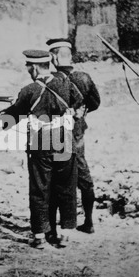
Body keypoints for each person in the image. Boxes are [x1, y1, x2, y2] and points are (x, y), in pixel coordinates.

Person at [0, 50, 83, 249]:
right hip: (64, 139)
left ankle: (39, 236)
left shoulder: (29, 90)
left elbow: (10, 119)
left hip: (40, 142)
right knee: (66, 186)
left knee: (40, 188)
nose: (29, 70)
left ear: (35, 67)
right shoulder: (66, 83)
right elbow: (80, 103)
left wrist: (10, 110)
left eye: (29, 67)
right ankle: (65, 234)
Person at [47, 38, 101, 234]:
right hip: (77, 131)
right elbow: (95, 102)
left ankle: (59, 225)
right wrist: (82, 111)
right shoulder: (83, 78)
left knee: (57, 176)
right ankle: (88, 221)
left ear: (53, 57)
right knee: (82, 175)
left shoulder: (50, 80)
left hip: (58, 133)